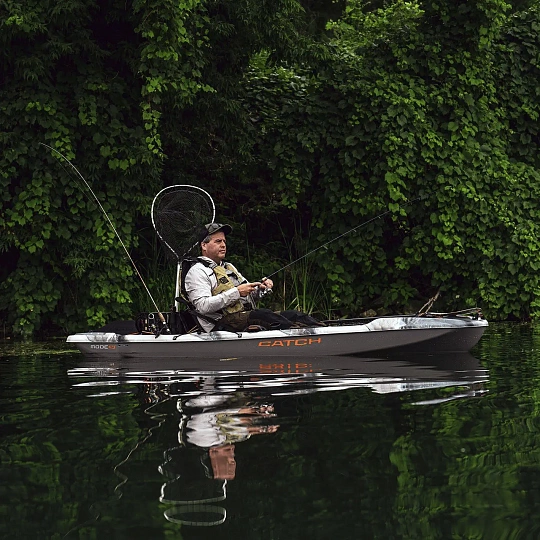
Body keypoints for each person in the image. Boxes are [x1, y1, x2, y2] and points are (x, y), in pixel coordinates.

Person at [182, 222, 324, 332]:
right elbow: (202, 307)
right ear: (204, 246)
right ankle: (302, 338)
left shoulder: (228, 267)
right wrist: (237, 292)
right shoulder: (197, 271)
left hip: (243, 316)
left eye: (224, 241)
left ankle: (323, 330)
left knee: (294, 315)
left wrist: (259, 290)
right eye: (218, 241)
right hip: (220, 323)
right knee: (263, 315)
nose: (223, 245)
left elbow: (246, 295)